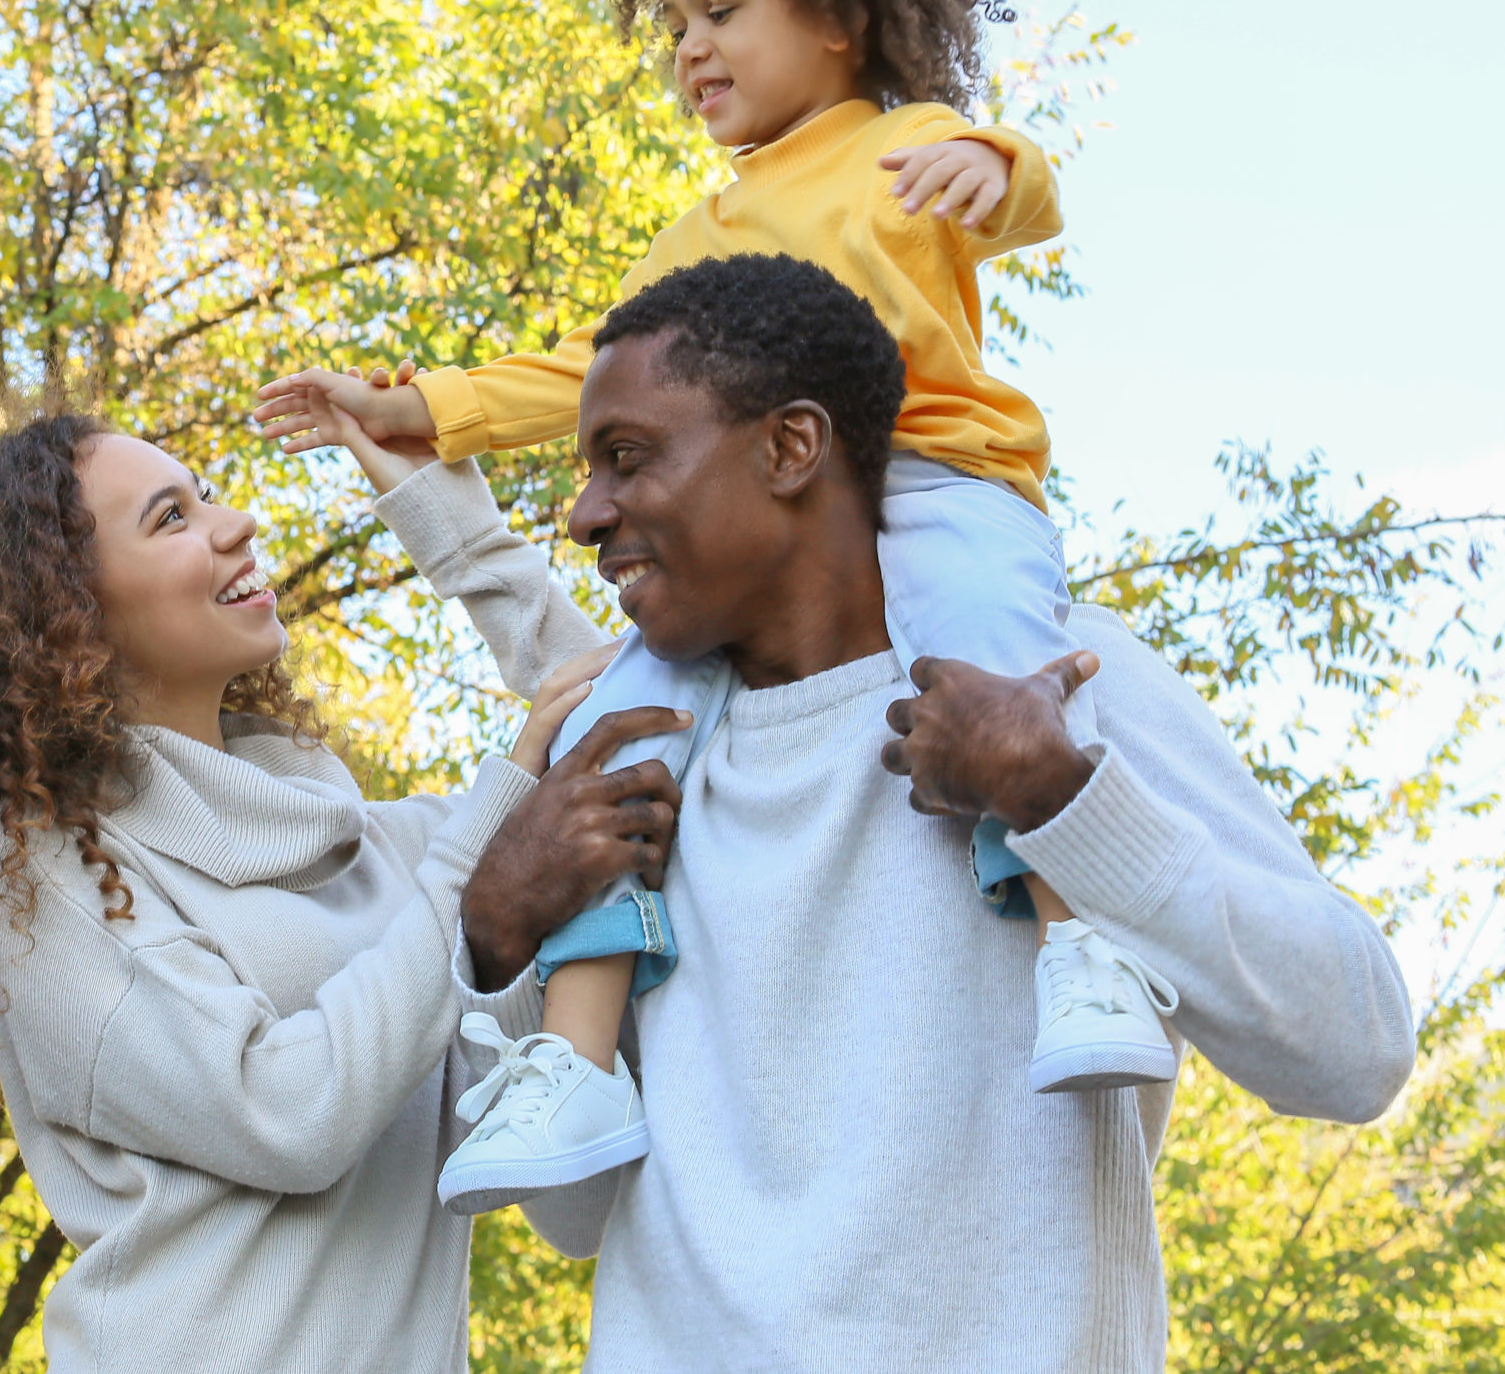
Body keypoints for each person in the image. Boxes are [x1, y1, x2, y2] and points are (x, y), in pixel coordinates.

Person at [253, 0, 1160, 1213]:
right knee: (621, 720)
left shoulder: (904, 143)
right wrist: (425, 407)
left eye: (724, 10)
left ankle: (1080, 940)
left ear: (840, 17)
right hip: (778, 522)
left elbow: (1026, 190)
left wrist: (990, 169)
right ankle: (575, 1049)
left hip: (936, 479)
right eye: (676, 18)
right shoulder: (704, 228)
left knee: (999, 659)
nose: (690, 47)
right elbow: (591, 372)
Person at [298, 254, 1414, 1370]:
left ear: (790, 448)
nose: (586, 515)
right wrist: (499, 938)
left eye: (626, 459)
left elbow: (1353, 1050)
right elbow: (574, 1216)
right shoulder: (634, 764)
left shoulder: (1062, 689)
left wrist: (1058, 798)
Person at [0, 413, 683, 1374]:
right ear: (66, 612)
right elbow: (287, 1113)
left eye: (206, 492)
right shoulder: (46, 873)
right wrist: (484, 897)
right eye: (172, 517)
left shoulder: (395, 856)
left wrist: (450, 523)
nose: (237, 520)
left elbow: (635, 728)